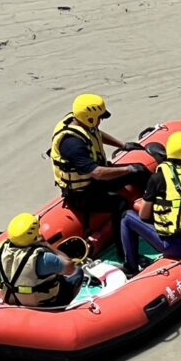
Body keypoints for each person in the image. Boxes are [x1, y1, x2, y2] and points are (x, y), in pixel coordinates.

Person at [50, 93, 150, 261]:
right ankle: (124, 253)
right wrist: (127, 169)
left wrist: (123, 145)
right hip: (82, 193)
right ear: (89, 118)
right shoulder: (72, 144)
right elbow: (97, 172)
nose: (101, 121)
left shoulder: (81, 122)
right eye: (99, 118)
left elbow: (97, 134)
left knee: (140, 171)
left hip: (95, 180)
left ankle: (154, 207)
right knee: (120, 205)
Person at [120, 131, 181, 277]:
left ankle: (131, 268)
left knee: (126, 217)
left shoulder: (159, 177)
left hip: (176, 247)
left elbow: (144, 216)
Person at [0, 212, 82, 307]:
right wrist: (47, 245)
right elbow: (70, 267)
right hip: (40, 304)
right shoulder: (44, 258)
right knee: (78, 272)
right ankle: (63, 309)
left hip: (8, 298)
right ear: (35, 236)